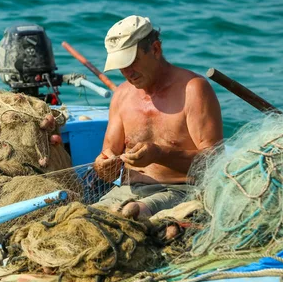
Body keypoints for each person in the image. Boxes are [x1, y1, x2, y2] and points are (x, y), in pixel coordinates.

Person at [94, 15, 223, 219]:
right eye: (121, 65)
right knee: (85, 219)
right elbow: (108, 160)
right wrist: (103, 165)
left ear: (155, 49)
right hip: (127, 191)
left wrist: (161, 154)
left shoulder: (193, 89)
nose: (127, 72)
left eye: (132, 61)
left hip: (181, 191)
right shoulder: (121, 95)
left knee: (131, 214)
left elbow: (213, 163)